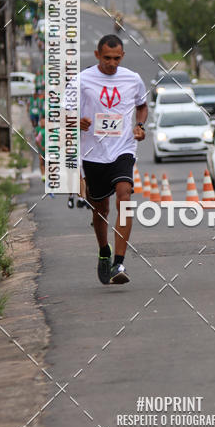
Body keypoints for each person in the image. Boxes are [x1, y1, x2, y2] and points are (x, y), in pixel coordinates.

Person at [79, 35, 148, 285]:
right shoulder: (82, 80)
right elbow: (64, 111)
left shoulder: (133, 79)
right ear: (97, 55)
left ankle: (119, 261)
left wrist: (140, 125)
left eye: (116, 58)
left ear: (123, 56)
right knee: (101, 209)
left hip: (123, 148)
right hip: (93, 153)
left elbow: (142, 106)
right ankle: (104, 250)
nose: (111, 63)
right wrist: (77, 121)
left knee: (124, 193)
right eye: (107, 58)